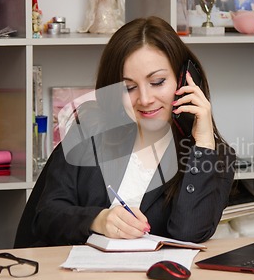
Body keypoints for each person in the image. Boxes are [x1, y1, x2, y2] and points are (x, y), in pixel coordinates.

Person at [17, 16, 236, 247]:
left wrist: (202, 142)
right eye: (129, 87)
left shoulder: (214, 156)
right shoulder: (90, 131)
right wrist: (98, 220)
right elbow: (44, 218)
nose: (145, 99)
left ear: (185, 80)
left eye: (158, 81)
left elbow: (188, 233)